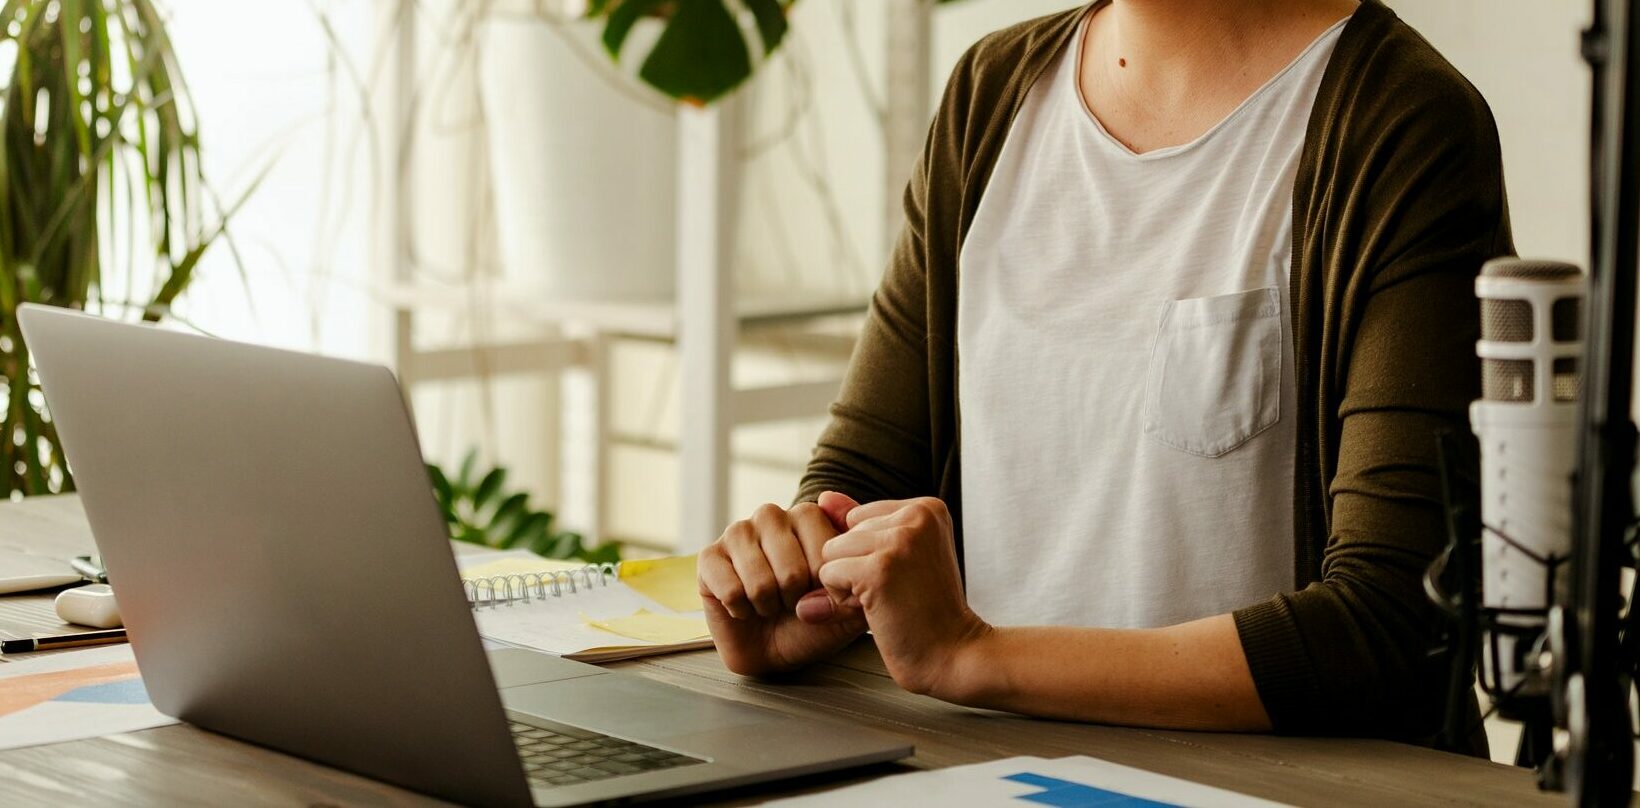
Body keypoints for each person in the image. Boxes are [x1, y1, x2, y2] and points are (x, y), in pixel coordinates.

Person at [697, 0, 1511, 752]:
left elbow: (1391, 622)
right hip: (982, 773)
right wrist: (800, 582)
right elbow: (864, 483)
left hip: (1261, 789)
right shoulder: (992, 96)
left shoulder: (1401, 120)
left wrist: (972, 656)